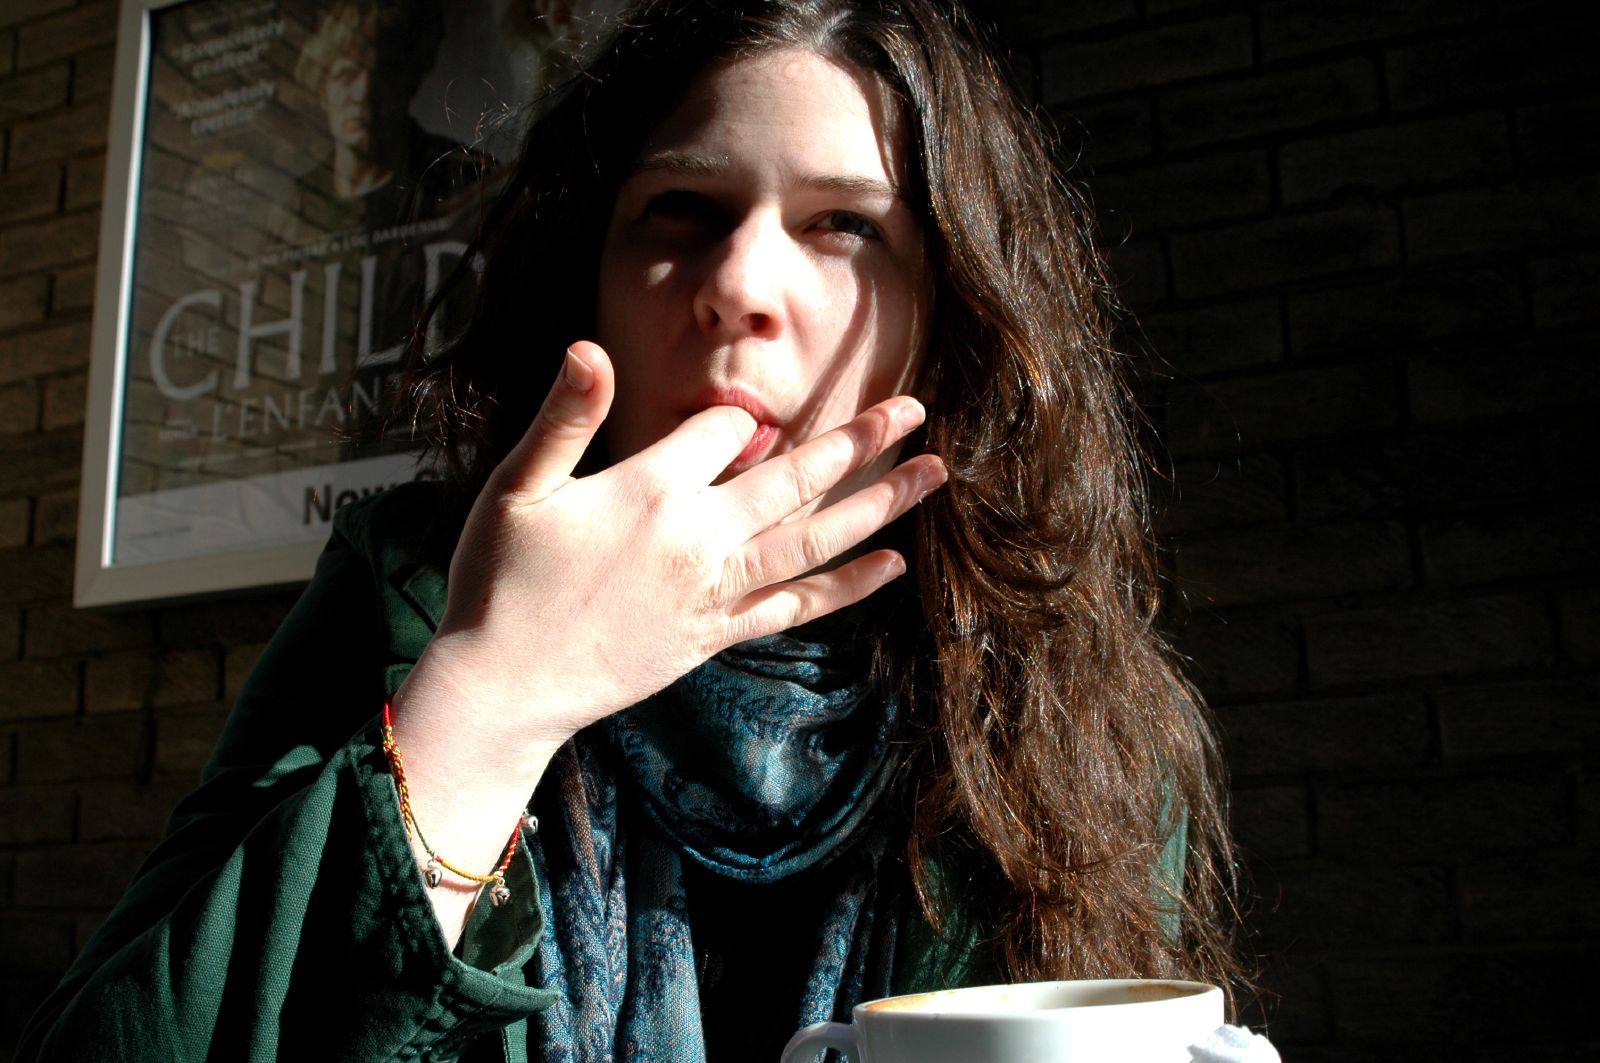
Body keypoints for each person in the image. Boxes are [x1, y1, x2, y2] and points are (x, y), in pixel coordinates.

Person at [21, 1, 1243, 1060]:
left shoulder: (1059, 700)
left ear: (950, 308)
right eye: (681, 209)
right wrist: (493, 693)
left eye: (844, 226)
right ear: (587, 277)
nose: (740, 286)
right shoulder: (411, 588)